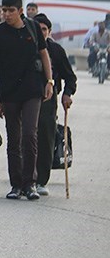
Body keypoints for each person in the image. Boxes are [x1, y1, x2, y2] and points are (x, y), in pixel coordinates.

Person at [0, 0, 53, 200]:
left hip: (33, 89)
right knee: (14, 138)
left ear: (20, 11)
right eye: (4, 10)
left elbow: (44, 54)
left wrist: (49, 81)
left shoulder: (33, 28)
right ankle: (16, 184)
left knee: (29, 135)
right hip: (9, 91)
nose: (6, 14)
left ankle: (30, 183)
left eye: (11, 11)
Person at [33, 13, 76, 197]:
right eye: (38, 28)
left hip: (48, 101)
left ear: (49, 31)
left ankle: (41, 180)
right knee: (26, 138)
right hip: (25, 98)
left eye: (44, 29)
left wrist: (67, 94)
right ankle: (25, 179)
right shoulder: (25, 47)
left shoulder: (56, 50)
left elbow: (70, 77)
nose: (41, 32)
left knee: (45, 138)